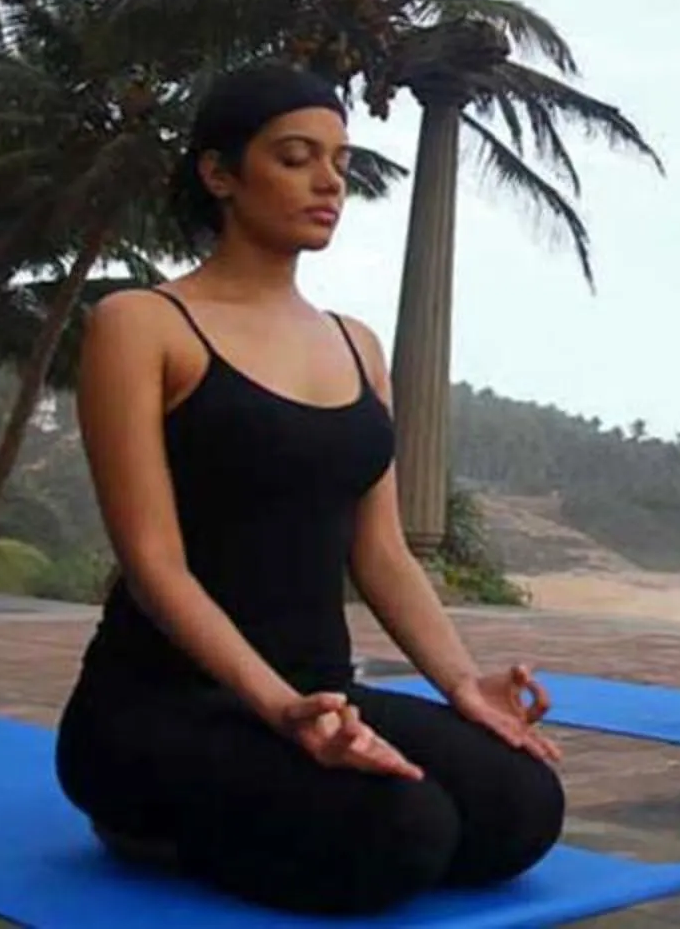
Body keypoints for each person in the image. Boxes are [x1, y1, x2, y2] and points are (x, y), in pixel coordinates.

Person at [54, 64, 566, 917]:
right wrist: (280, 708)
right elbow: (154, 565)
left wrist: (463, 685)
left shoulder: (357, 345)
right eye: (296, 157)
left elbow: (383, 552)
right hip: (164, 705)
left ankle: (281, 802)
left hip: (322, 695)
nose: (329, 181)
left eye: (339, 159)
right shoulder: (142, 325)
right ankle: (144, 817)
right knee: (405, 834)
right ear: (220, 173)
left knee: (520, 806)